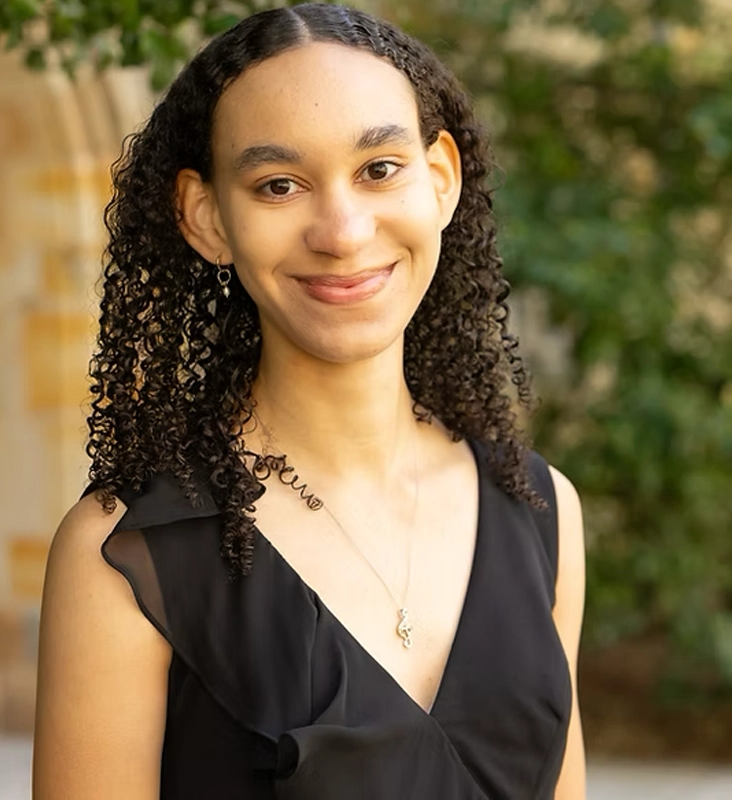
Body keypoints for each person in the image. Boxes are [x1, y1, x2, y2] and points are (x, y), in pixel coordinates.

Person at [32, 3, 586, 798]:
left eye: (379, 169)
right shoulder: (122, 557)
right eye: (278, 184)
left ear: (440, 180)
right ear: (206, 218)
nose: (342, 230)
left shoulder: (541, 508)